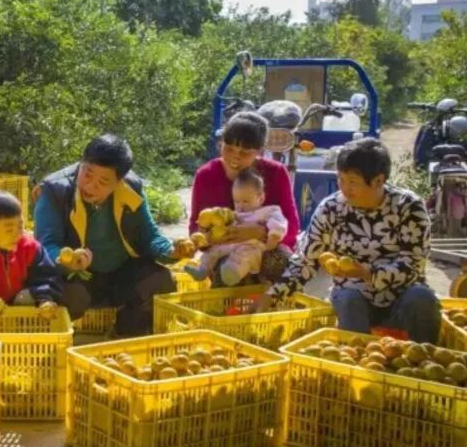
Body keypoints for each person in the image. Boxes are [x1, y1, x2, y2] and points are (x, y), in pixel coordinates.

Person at [255, 138, 440, 343]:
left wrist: (366, 273)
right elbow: (306, 260)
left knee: (421, 298)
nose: (344, 188)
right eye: (341, 179)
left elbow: (412, 264)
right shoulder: (331, 208)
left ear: (378, 180)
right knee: (348, 298)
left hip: (402, 296)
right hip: (353, 296)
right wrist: (272, 295)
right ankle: (353, 362)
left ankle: (425, 360)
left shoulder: (407, 206)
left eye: (352, 182)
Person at [33, 134, 178, 335]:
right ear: (81, 163)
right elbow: (44, 246)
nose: (90, 185)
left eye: (103, 181)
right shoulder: (55, 190)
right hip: (77, 278)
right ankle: (58, 342)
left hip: (120, 274)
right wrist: (67, 260)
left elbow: (149, 235)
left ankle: (126, 334)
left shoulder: (131, 189)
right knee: (67, 295)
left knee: (162, 281)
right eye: (87, 173)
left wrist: (172, 250)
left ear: (119, 181)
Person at [189, 111, 300, 284]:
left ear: (260, 151)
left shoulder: (276, 173)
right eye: (229, 148)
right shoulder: (206, 175)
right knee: (224, 270)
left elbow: (292, 226)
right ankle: (226, 305)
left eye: (245, 152)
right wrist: (207, 238)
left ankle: (272, 302)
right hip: (225, 251)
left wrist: (262, 233)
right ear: (220, 144)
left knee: (282, 261)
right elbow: (196, 225)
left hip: (264, 248)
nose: (235, 156)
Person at [185, 169, 288, 287]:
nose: (241, 206)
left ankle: (233, 273)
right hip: (230, 244)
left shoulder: (268, 211)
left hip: (251, 245)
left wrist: (274, 235)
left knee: (244, 256)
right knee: (213, 251)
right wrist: (211, 231)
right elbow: (222, 225)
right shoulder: (234, 214)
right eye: (237, 201)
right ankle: (202, 269)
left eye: (245, 201)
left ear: (261, 198)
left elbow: (278, 222)